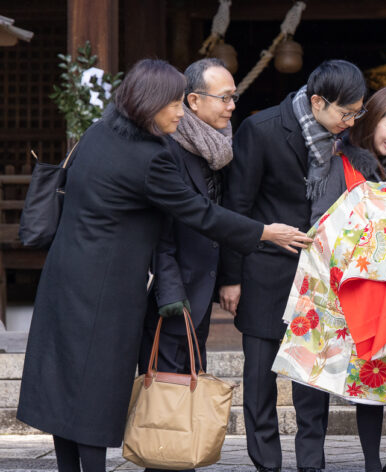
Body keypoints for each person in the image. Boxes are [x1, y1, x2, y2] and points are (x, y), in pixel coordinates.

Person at [16, 59, 311, 472]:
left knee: (65, 385)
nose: (179, 111)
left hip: (64, 277)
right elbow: (201, 214)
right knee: (95, 393)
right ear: (149, 103)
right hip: (107, 290)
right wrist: (265, 233)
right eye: (174, 103)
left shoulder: (98, 133)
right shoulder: (151, 158)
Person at [218, 59, 367, 472]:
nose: (351, 122)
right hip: (265, 269)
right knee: (260, 380)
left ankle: (311, 463)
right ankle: (266, 463)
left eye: (357, 112)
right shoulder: (261, 129)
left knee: (312, 379)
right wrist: (230, 278)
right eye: (345, 113)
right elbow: (237, 207)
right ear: (317, 102)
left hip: (319, 275)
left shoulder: (342, 140)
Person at [311, 86, 386, 472]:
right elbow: (328, 219)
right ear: (372, 118)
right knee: (368, 378)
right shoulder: (341, 159)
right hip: (359, 286)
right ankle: (370, 464)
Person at [136, 58, 239, 472]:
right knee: (166, 388)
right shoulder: (169, 149)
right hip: (172, 290)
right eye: (225, 97)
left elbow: (225, 213)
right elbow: (161, 232)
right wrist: (170, 293)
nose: (232, 105)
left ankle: (180, 462)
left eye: (235, 96)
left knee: (187, 388)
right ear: (193, 101)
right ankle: (160, 461)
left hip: (201, 283)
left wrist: (229, 277)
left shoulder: (219, 147)